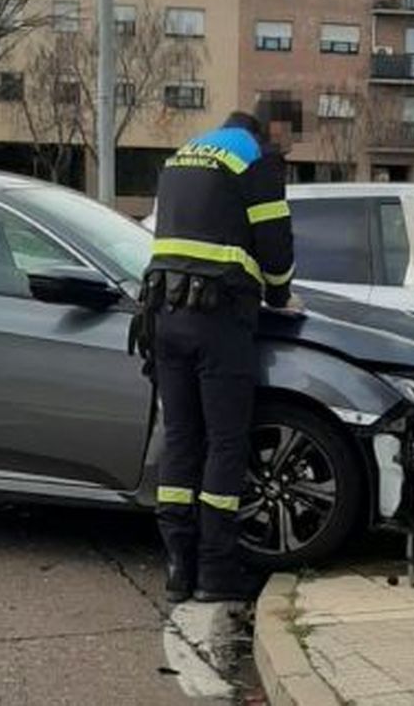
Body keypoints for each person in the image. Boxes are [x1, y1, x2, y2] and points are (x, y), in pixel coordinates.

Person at [143, 107, 297, 604]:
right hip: (219, 319)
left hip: (165, 313)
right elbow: (276, 250)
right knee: (226, 443)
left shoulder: (186, 152)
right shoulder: (258, 160)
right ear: (271, 130)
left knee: (182, 437)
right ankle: (215, 573)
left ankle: (176, 568)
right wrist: (279, 296)